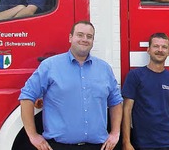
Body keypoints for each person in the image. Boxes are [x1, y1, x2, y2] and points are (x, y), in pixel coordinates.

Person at [18, 21, 122, 150]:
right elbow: (27, 97)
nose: (84, 39)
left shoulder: (104, 69)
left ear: (93, 40)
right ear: (70, 37)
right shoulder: (50, 66)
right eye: (80, 35)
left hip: (98, 146)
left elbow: (116, 102)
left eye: (89, 36)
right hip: (59, 146)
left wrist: (115, 133)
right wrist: (33, 135)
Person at [122, 33, 169, 150]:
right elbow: (126, 110)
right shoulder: (135, 76)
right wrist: (126, 142)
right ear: (148, 50)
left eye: (164, 47)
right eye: (156, 46)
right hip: (144, 144)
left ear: (168, 51)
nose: (160, 50)